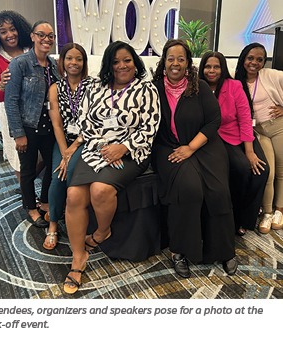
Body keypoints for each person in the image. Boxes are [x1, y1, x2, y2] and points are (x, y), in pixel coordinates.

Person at [63, 41, 160, 294]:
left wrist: (124, 146)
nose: (121, 66)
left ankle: (102, 232)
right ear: (108, 64)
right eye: (116, 61)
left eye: (127, 60)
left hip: (133, 151)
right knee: (73, 195)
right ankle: (78, 257)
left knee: (100, 190)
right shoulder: (96, 88)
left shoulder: (146, 89)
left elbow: (149, 128)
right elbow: (84, 123)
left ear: (135, 62)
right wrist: (106, 146)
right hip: (97, 149)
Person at [151, 39, 237, 278]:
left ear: (188, 63)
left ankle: (224, 249)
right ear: (164, 62)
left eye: (181, 59)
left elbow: (213, 122)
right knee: (188, 189)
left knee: (218, 191)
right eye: (171, 59)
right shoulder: (154, 88)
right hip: (169, 148)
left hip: (204, 146)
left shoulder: (198, 87)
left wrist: (191, 147)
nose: (175, 63)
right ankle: (180, 250)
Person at [198, 51, 269, 236]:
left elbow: (245, 119)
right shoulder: (198, 88)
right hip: (216, 138)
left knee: (261, 170)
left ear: (222, 69)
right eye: (207, 66)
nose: (211, 70)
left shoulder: (234, 86)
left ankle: (248, 217)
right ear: (202, 68)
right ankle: (235, 219)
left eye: (216, 66)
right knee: (242, 168)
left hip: (240, 134)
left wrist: (250, 151)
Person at [4, 21, 59, 228]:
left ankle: (44, 202)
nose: (47, 39)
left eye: (51, 36)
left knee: (52, 166)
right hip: (28, 125)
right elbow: (11, 100)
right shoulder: (20, 63)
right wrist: (18, 133)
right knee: (27, 169)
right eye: (42, 35)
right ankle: (31, 208)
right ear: (33, 36)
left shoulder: (54, 65)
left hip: (50, 126)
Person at [44, 43, 92, 249]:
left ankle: (71, 215)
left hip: (87, 139)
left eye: (79, 59)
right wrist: (64, 151)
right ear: (62, 62)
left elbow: (95, 121)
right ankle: (53, 224)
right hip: (63, 140)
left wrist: (72, 150)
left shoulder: (94, 85)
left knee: (70, 172)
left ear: (84, 63)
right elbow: (57, 123)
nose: (74, 63)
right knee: (57, 176)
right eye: (69, 58)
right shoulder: (55, 88)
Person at [235, 43, 283, 234]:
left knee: (281, 170)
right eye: (250, 58)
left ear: (264, 62)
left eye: (259, 59)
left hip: (277, 126)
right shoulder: (236, 78)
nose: (254, 62)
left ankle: (279, 209)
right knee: (267, 172)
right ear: (243, 58)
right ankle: (268, 213)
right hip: (258, 132)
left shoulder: (271, 75)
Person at [0, 11, 32, 186]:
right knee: (18, 155)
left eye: (12, 29)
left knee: (41, 153)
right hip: (13, 116)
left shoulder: (32, 50)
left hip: (37, 112)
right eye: (3, 32)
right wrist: (2, 84)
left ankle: (35, 185)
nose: (10, 34)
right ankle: (27, 195)